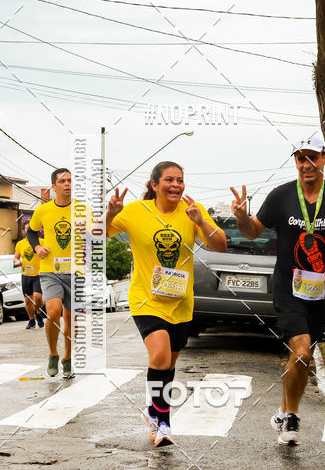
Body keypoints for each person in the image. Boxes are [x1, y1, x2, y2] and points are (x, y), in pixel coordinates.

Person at [231, 132, 325, 446]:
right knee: (300, 353)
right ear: (296, 163)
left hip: (321, 294)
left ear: (324, 159)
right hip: (288, 290)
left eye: (313, 157)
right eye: (301, 158)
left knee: (305, 358)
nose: (307, 164)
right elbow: (252, 232)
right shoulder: (281, 196)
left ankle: (284, 410)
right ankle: (293, 417)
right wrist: (241, 216)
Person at [105, 161, 226, 448]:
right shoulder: (135, 211)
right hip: (146, 300)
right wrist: (110, 213)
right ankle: (161, 422)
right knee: (159, 355)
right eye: (169, 180)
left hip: (181, 301)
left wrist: (201, 221)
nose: (176, 185)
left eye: (180, 180)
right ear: (154, 185)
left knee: (169, 365)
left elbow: (220, 244)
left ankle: (156, 410)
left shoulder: (192, 211)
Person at [27, 170, 91, 378]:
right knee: (53, 312)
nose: (67, 184)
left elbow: (96, 233)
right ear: (53, 187)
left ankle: (68, 357)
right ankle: (53, 353)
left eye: (70, 181)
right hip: (50, 270)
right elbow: (31, 231)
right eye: (62, 181)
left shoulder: (83, 209)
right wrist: (37, 248)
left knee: (71, 318)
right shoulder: (43, 210)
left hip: (76, 271)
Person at [13, 222, 45, 329]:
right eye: (27, 228)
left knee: (38, 296)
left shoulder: (42, 242)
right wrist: (16, 261)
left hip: (38, 274)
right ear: (23, 231)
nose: (28, 230)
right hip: (26, 275)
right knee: (28, 299)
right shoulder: (20, 244)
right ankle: (31, 320)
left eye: (30, 228)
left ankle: (39, 314)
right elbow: (16, 257)